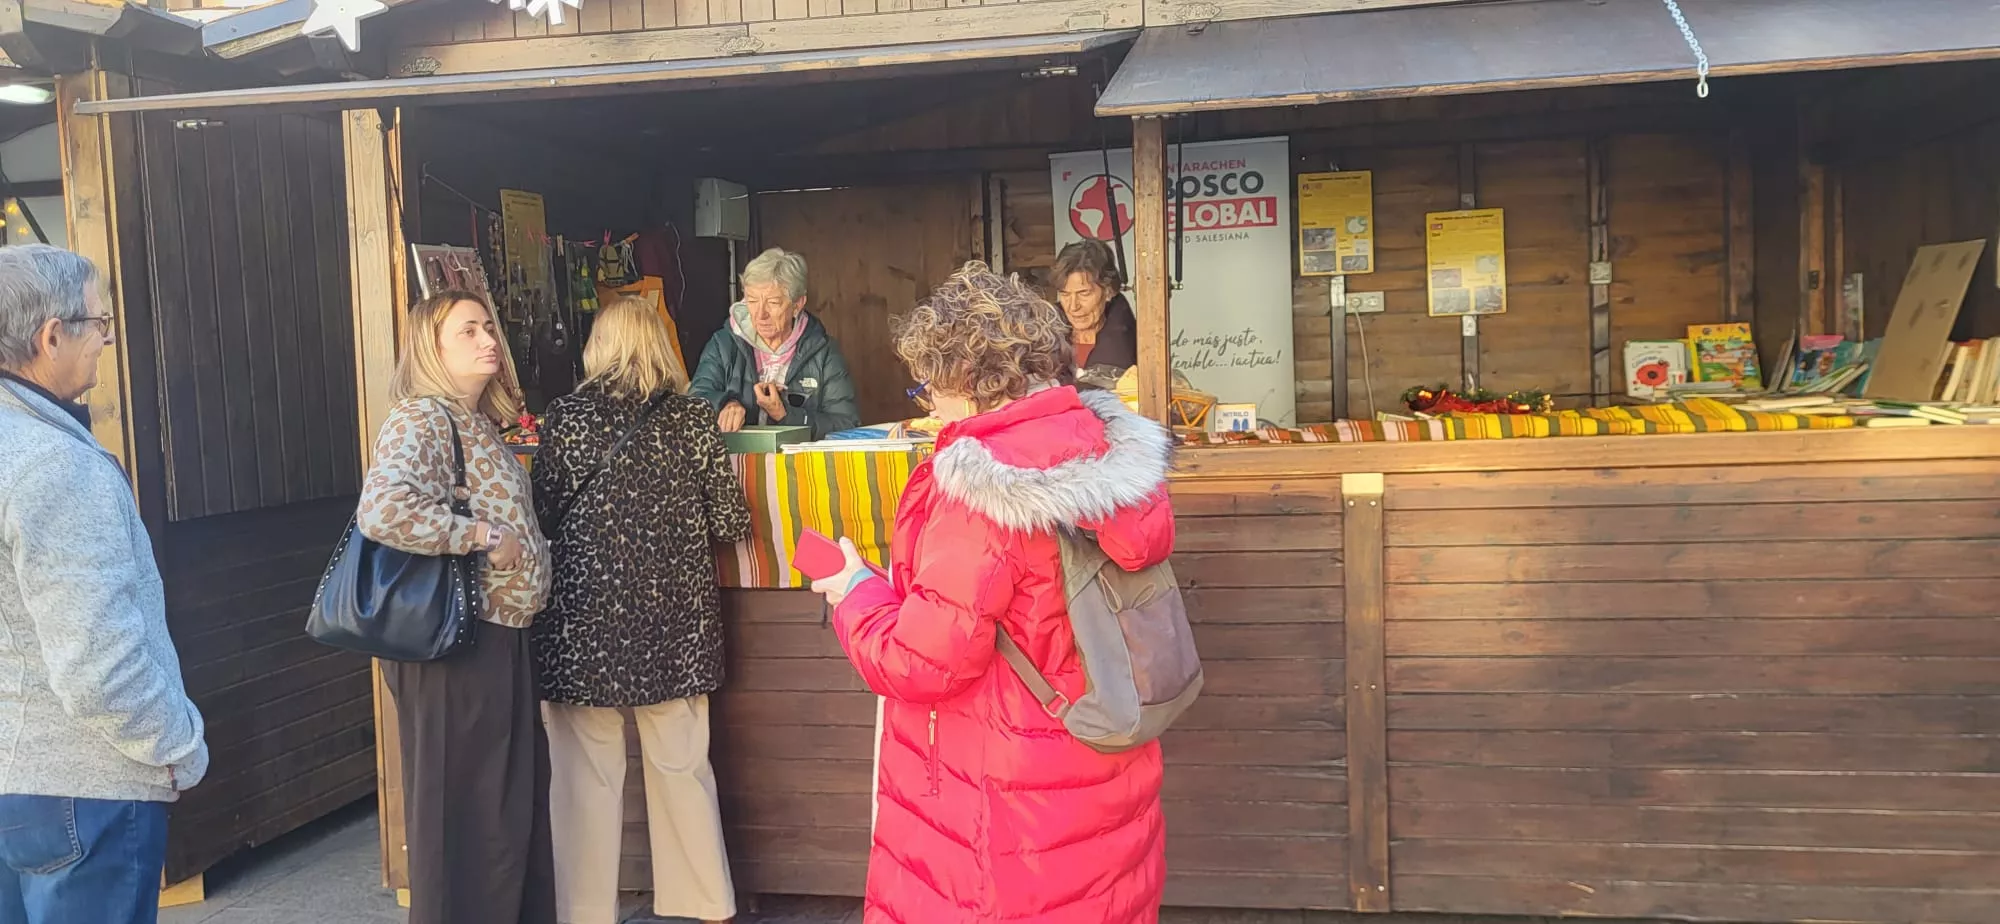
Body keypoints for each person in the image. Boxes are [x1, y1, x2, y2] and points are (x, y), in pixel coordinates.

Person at [811, 262, 1175, 923]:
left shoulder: (981, 488)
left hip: (999, 808)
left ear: (968, 380)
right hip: (1102, 768)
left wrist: (853, 591)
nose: (928, 404)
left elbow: (922, 662)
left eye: (929, 386)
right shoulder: (1101, 445)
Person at [0, 245, 208, 924]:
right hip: (80, 788)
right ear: (50, 336)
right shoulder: (55, 466)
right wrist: (177, 747)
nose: (108, 339)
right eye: (99, 322)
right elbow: (98, 668)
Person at [530, 297, 751, 924]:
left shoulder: (566, 418)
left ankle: (583, 910)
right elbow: (731, 520)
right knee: (681, 763)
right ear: (661, 345)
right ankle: (704, 901)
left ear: (597, 348)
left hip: (582, 626)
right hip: (674, 625)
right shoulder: (690, 418)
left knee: (583, 777)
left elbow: (543, 514)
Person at [356, 290, 555, 924]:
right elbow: (382, 511)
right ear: (431, 350)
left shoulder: (472, 422)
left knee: (504, 817)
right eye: (467, 331)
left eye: (487, 326)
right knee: (466, 821)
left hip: (498, 642)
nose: (487, 338)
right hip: (456, 649)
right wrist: (482, 536)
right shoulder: (422, 419)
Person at [688, 247, 859, 438]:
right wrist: (725, 404)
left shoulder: (824, 352)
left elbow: (847, 424)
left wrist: (787, 415)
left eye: (773, 303)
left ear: (798, 304)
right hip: (732, 464)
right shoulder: (723, 344)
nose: (761, 314)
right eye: (752, 301)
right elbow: (693, 402)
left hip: (798, 465)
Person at [1052, 240, 1138, 377]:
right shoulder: (1046, 336)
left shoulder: (1127, 339)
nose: (1073, 306)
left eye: (1084, 293)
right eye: (1065, 294)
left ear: (1108, 291)